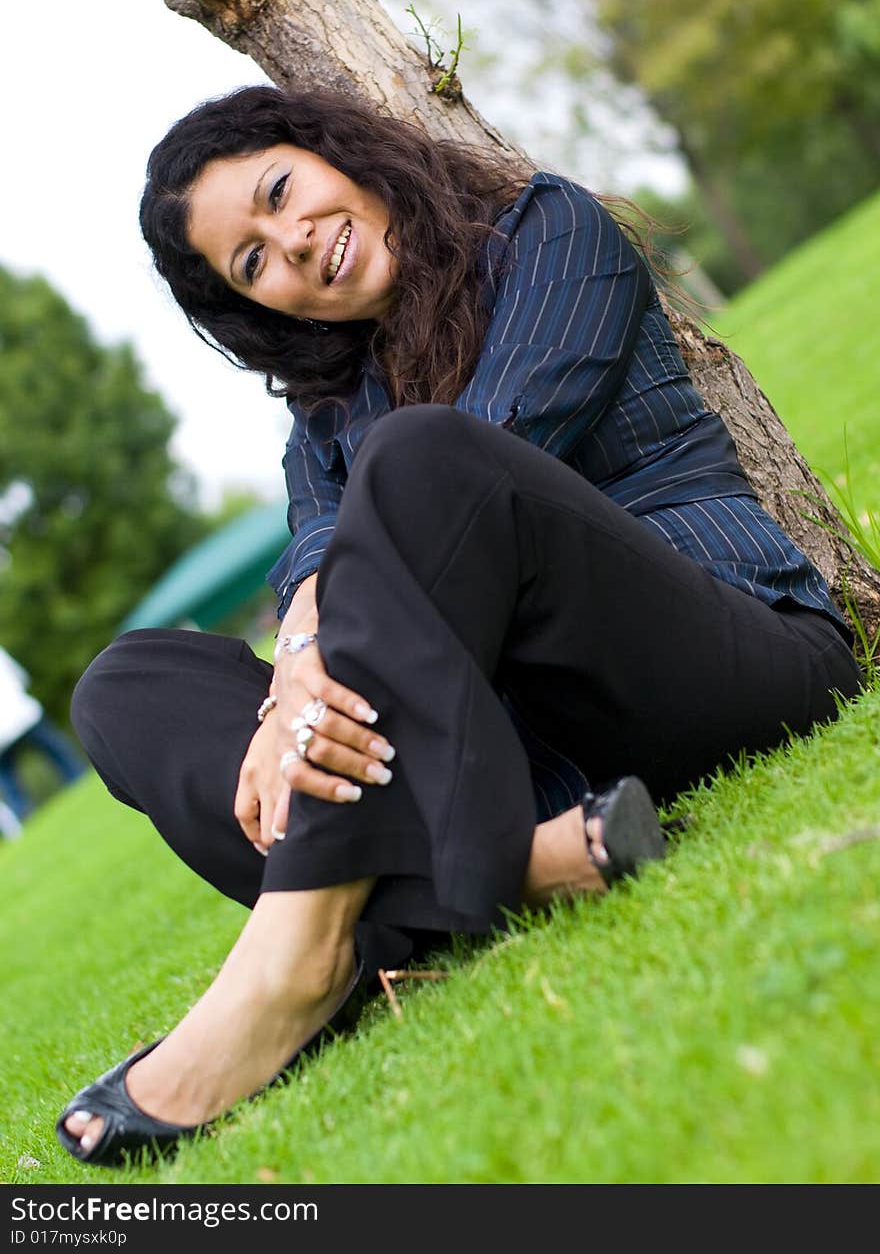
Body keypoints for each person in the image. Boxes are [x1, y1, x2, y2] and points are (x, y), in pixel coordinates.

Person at [57, 86, 862, 1166]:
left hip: (716, 651)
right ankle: (523, 860)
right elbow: (313, 540)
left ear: (335, 147)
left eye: (281, 193)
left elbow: (482, 451)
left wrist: (314, 630)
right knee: (127, 685)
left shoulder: (546, 233)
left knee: (425, 460)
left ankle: (303, 956)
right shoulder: (329, 409)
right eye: (253, 263)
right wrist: (296, 652)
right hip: (519, 753)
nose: (293, 245)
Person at [0, 646, 85, 838]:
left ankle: (23, 816)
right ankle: (78, 778)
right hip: (22, 713)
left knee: (8, 781)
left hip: (6, 730)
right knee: (58, 753)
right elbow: (20, 676)